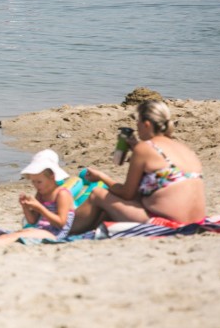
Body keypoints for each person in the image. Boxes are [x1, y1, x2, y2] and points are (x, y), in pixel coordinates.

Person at [70, 100, 206, 234]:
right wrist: (136, 147)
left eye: (138, 123)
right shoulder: (183, 149)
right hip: (196, 222)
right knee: (112, 207)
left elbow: (127, 194)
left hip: (168, 224)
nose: (137, 127)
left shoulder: (144, 148)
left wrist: (101, 177)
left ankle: (64, 231)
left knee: (97, 194)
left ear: (146, 124)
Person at [0, 149, 75, 249]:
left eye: (39, 182)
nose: (36, 185)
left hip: (55, 234)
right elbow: (32, 220)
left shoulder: (62, 194)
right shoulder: (41, 194)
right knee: (14, 234)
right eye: (33, 182)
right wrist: (26, 207)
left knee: (15, 236)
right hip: (41, 229)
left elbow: (61, 223)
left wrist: (40, 207)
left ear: (52, 177)